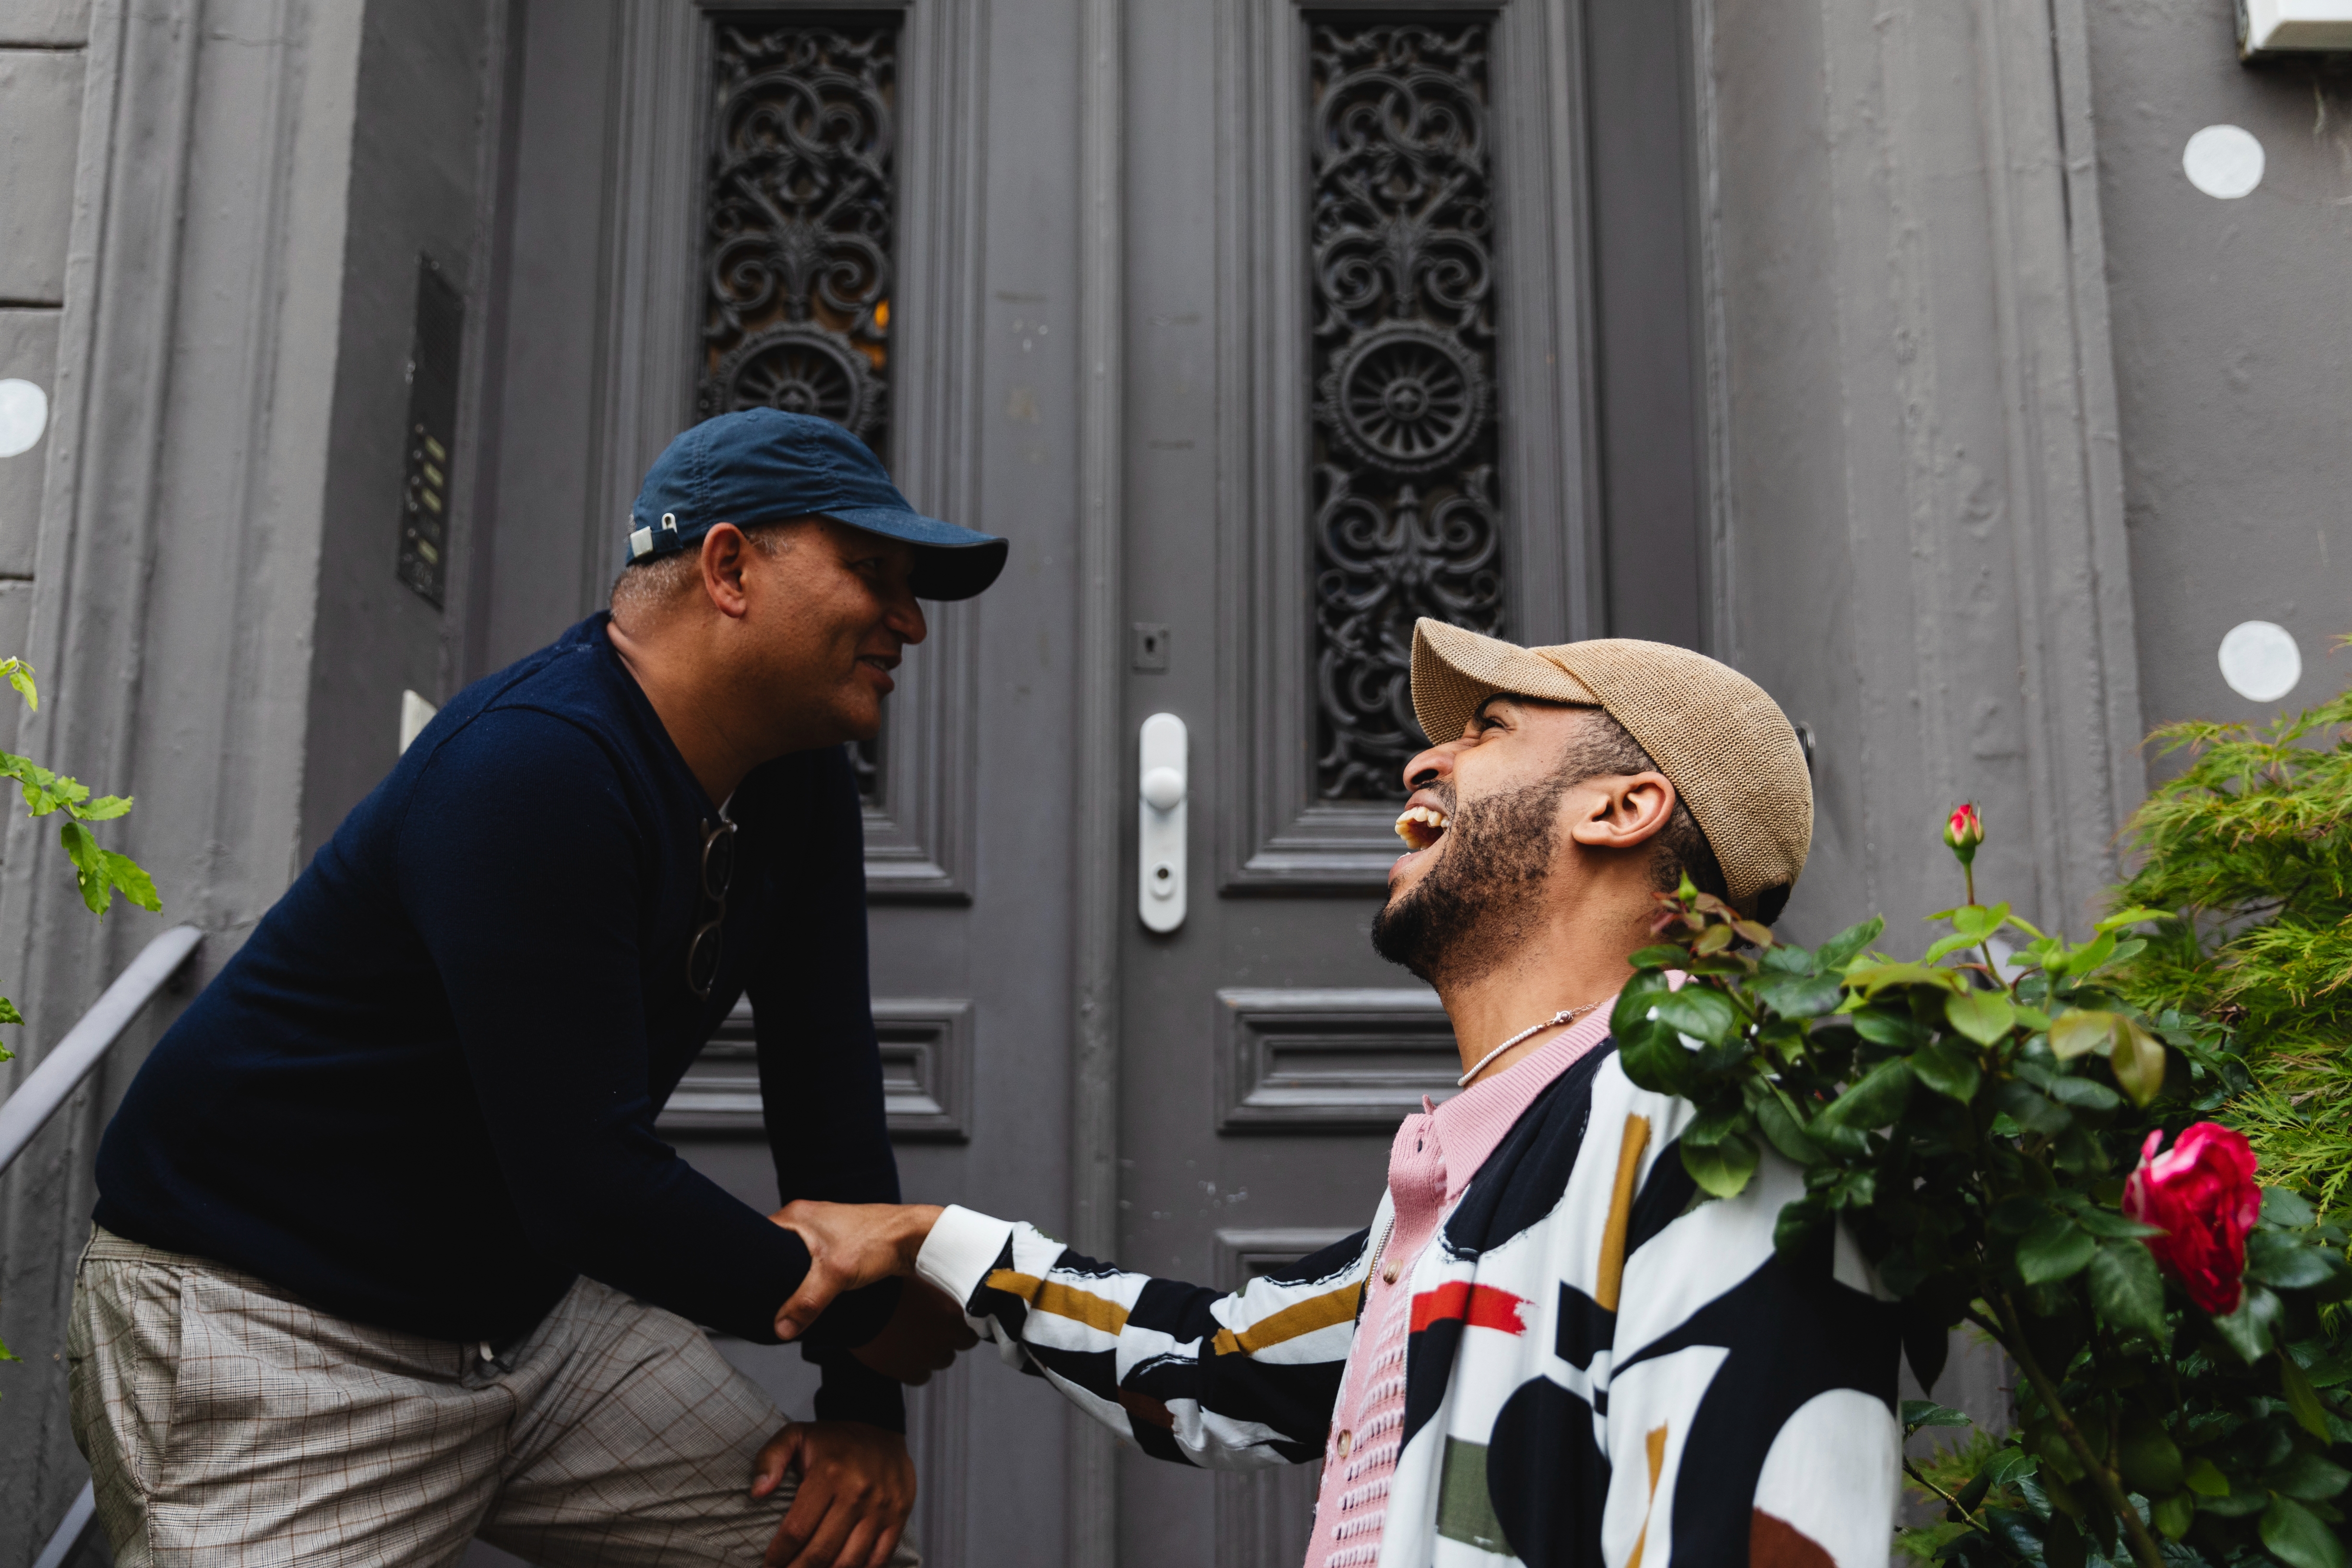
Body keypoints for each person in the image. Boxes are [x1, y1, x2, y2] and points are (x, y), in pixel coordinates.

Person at [771, 620, 1904, 1567]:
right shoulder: (1486, 1178)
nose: (1423, 762)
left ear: (1621, 809)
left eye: (1490, 727)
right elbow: (1222, 1365)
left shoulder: (1712, 1118)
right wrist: (936, 1241)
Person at [69, 409, 994, 1568]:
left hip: (533, 1333)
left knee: (843, 1553)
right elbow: (588, 1181)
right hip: (272, 1325)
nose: (909, 620)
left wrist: (861, 1404)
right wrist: (864, 1304)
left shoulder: (795, 780)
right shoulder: (535, 766)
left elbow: (828, 1095)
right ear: (728, 567)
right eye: (872, 574)